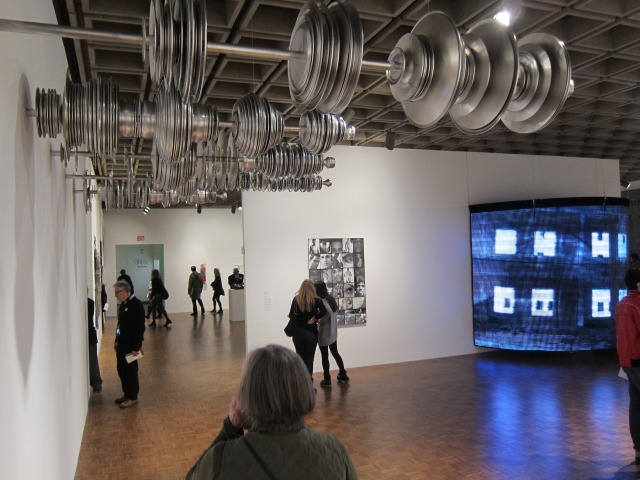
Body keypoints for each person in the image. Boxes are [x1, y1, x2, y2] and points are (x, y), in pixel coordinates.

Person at [185, 344, 358, 480]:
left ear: (248, 394)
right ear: (303, 387)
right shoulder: (333, 450)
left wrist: (230, 427)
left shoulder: (223, 457)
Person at [616, 268, 640, 463]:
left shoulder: (621, 304)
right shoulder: (639, 305)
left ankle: (639, 450)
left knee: (636, 407)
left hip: (626, 363)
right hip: (639, 362)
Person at [113, 281, 145, 409]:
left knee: (130, 371)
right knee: (121, 370)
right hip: (121, 344)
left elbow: (139, 328)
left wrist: (136, 347)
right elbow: (119, 326)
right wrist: (116, 339)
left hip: (131, 346)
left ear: (126, 292)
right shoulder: (122, 305)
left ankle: (132, 396)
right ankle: (126, 393)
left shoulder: (136, 305)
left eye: (117, 293)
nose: (116, 295)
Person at [288, 279, 327, 377]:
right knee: (309, 360)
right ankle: (309, 383)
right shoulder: (316, 300)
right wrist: (314, 318)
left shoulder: (296, 299)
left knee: (300, 359)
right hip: (311, 334)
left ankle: (302, 383)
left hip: (298, 334)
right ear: (312, 289)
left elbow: (291, 315)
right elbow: (324, 311)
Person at [314, 281, 349, 388]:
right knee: (335, 353)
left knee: (325, 356)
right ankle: (342, 374)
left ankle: (327, 379)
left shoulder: (323, 301)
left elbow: (327, 312)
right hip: (332, 333)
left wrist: (318, 319)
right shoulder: (331, 299)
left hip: (325, 333)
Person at [87, 296, 103, 392]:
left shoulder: (89, 303)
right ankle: (96, 382)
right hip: (91, 336)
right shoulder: (90, 303)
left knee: (92, 360)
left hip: (90, 337)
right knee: (93, 360)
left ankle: (96, 382)